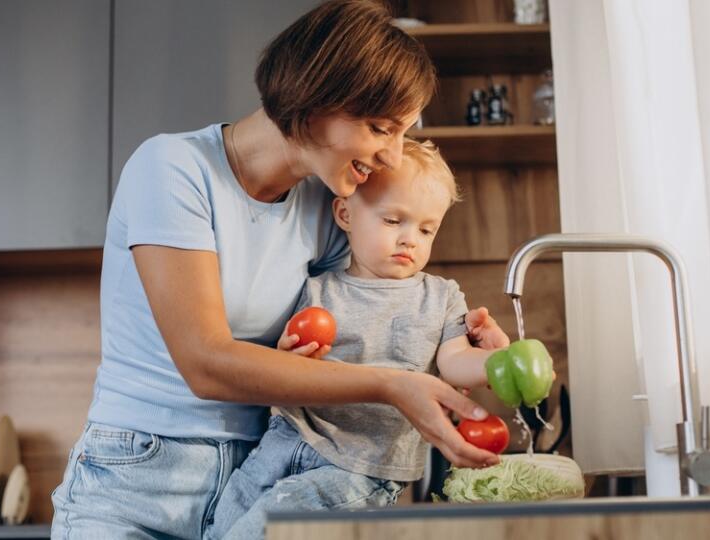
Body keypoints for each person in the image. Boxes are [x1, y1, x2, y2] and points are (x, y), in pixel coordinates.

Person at [50, 2, 508, 538]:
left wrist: (462, 343)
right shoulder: (173, 169)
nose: (390, 156)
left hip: (267, 473)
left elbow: (383, 311)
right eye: (381, 128)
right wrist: (391, 386)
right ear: (316, 99)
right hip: (139, 476)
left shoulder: (329, 201)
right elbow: (206, 363)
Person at [207, 139, 508, 539]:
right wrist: (288, 355)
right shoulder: (316, 290)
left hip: (362, 468)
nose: (410, 239)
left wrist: (497, 361)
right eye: (392, 221)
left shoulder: (440, 297)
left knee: (262, 533)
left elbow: (454, 361)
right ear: (345, 213)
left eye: (426, 228)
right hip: (283, 444)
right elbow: (289, 369)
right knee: (220, 528)